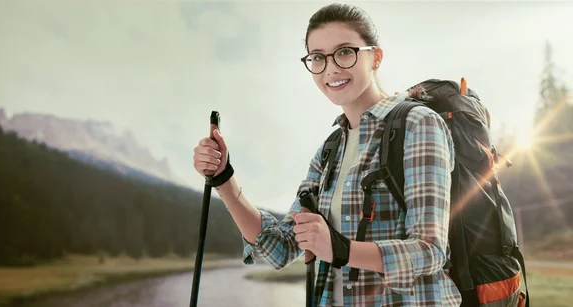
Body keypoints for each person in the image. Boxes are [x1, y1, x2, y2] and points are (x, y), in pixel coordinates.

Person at [193, 3, 462, 306]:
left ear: (376, 57)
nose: (331, 68)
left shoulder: (418, 124)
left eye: (345, 52)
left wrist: (341, 249)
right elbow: (280, 248)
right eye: (318, 57)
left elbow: (430, 251)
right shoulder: (330, 149)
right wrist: (224, 178)